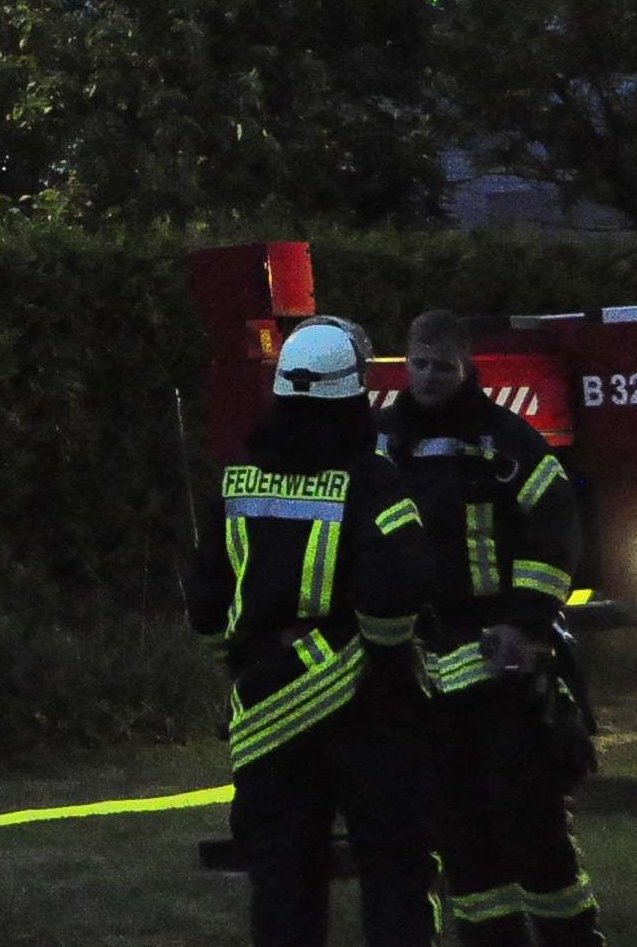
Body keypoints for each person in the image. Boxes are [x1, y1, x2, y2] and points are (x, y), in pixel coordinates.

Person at [186, 319, 438, 947]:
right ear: (352, 396)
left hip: (268, 705)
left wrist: (242, 663)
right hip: (367, 706)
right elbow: (392, 593)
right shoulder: (373, 481)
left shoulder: (237, 481)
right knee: (395, 869)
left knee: (283, 881)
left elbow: (207, 601)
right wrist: (386, 662)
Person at [379, 312, 600, 947]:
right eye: (417, 364)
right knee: (456, 828)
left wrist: (523, 623)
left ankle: (570, 938)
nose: (426, 377)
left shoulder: (505, 440)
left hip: (497, 660)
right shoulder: (380, 442)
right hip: (417, 663)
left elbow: (556, 531)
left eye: (441, 366)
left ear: (466, 365)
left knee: (528, 819)